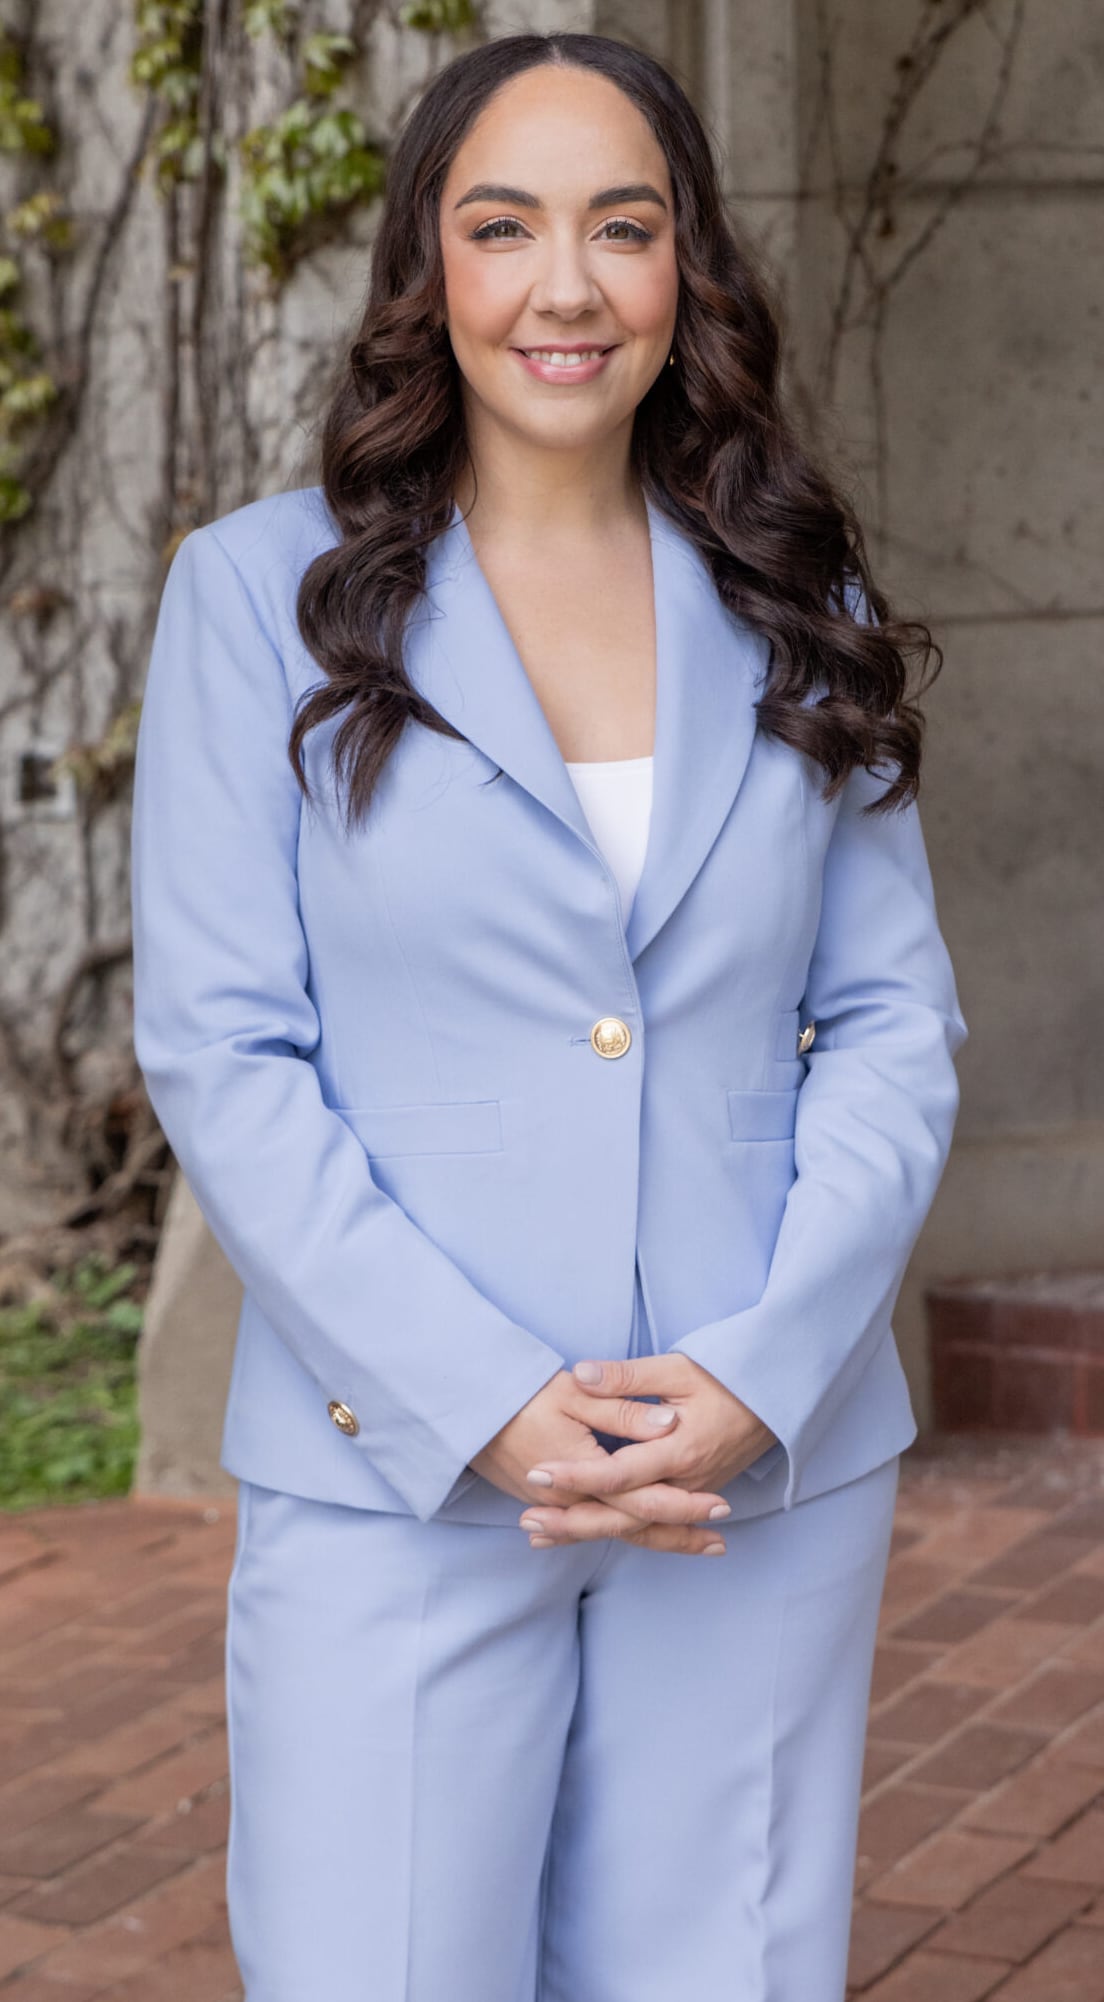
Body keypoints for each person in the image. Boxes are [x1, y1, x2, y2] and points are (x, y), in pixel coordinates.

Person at [130, 29, 967, 2002]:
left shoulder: (791, 586)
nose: (566, 285)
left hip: (751, 1470)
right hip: (403, 1470)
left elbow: (894, 1018)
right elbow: (225, 1051)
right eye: (504, 228)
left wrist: (765, 1369)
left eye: (624, 225)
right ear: (432, 266)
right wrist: (488, 1396)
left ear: (692, 273)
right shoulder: (258, 601)